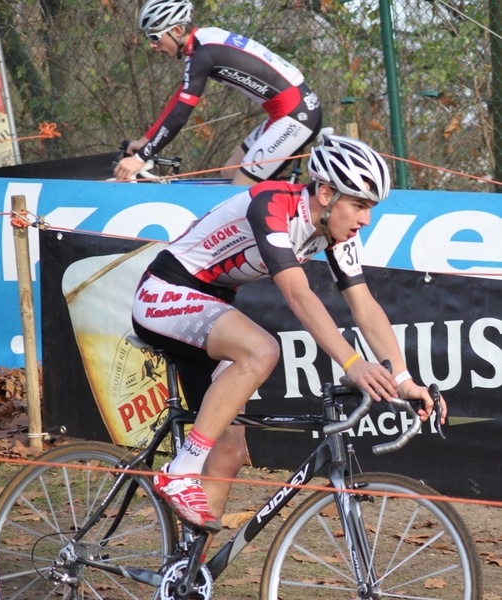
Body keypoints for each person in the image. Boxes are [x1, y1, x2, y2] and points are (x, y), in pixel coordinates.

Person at [131, 134, 447, 535]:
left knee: (229, 452)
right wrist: (352, 362)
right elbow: (298, 294)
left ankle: (187, 578)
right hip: (164, 293)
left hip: (211, 306)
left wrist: (402, 378)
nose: (365, 219)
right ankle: (180, 471)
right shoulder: (271, 204)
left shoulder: (335, 233)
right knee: (261, 350)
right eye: (360, 205)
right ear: (327, 193)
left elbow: (364, 306)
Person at [114, 0, 322, 185]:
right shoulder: (203, 42)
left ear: (177, 30)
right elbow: (178, 101)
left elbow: (179, 116)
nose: (152, 45)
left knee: (238, 189)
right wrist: (146, 140)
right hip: (290, 111)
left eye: (155, 36)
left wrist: (140, 158)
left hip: (296, 116)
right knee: (228, 172)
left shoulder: (205, 54)